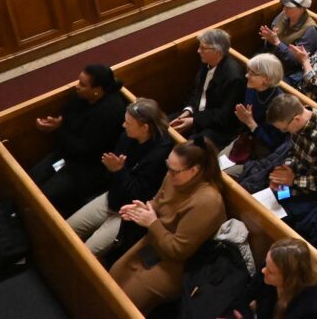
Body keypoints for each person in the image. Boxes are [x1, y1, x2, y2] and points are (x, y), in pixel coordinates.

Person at [109, 138, 226, 313]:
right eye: (168, 166)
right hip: (154, 244)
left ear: (194, 170)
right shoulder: (174, 177)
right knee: (113, 276)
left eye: (174, 171)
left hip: (175, 266)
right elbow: (158, 202)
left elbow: (178, 250)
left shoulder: (208, 201)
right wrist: (143, 209)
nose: (169, 173)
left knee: (126, 301)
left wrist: (152, 223)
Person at [67, 98, 172, 256]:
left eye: (128, 123)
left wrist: (119, 171)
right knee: (67, 229)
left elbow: (138, 194)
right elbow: (114, 171)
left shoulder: (160, 154)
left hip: (130, 212)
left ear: (144, 128)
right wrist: (115, 170)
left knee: (87, 253)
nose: (123, 125)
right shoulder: (127, 137)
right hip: (113, 196)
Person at [28, 63, 128, 215]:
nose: (77, 86)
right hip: (67, 154)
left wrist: (58, 130)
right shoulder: (82, 96)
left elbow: (86, 151)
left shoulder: (110, 112)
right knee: (30, 180)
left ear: (97, 90)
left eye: (82, 84)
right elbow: (68, 114)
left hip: (89, 167)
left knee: (43, 198)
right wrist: (57, 123)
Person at [266, 93, 317, 214]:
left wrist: (293, 180)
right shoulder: (299, 123)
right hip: (299, 177)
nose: (284, 132)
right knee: (270, 194)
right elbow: (294, 152)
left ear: (296, 119)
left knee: (276, 211)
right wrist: (286, 170)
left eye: (284, 129)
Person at [170, 28, 247, 147]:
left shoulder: (234, 78)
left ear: (218, 51)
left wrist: (195, 121)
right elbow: (195, 91)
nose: (198, 51)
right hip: (198, 113)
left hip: (218, 128)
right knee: (164, 124)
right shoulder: (207, 62)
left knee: (191, 148)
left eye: (203, 48)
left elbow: (224, 117)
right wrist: (188, 110)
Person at [251, 238, 317, 319]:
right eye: (266, 264)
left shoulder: (311, 310)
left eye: (270, 272)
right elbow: (247, 297)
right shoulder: (272, 265)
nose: (263, 271)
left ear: (289, 279)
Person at [259, 0, 317, 79]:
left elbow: (297, 61)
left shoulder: (310, 30)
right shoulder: (284, 14)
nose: (284, 9)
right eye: (284, 6)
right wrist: (269, 39)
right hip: (272, 56)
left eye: (289, 7)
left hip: (287, 69)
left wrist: (277, 43)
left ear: (301, 9)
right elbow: (271, 38)